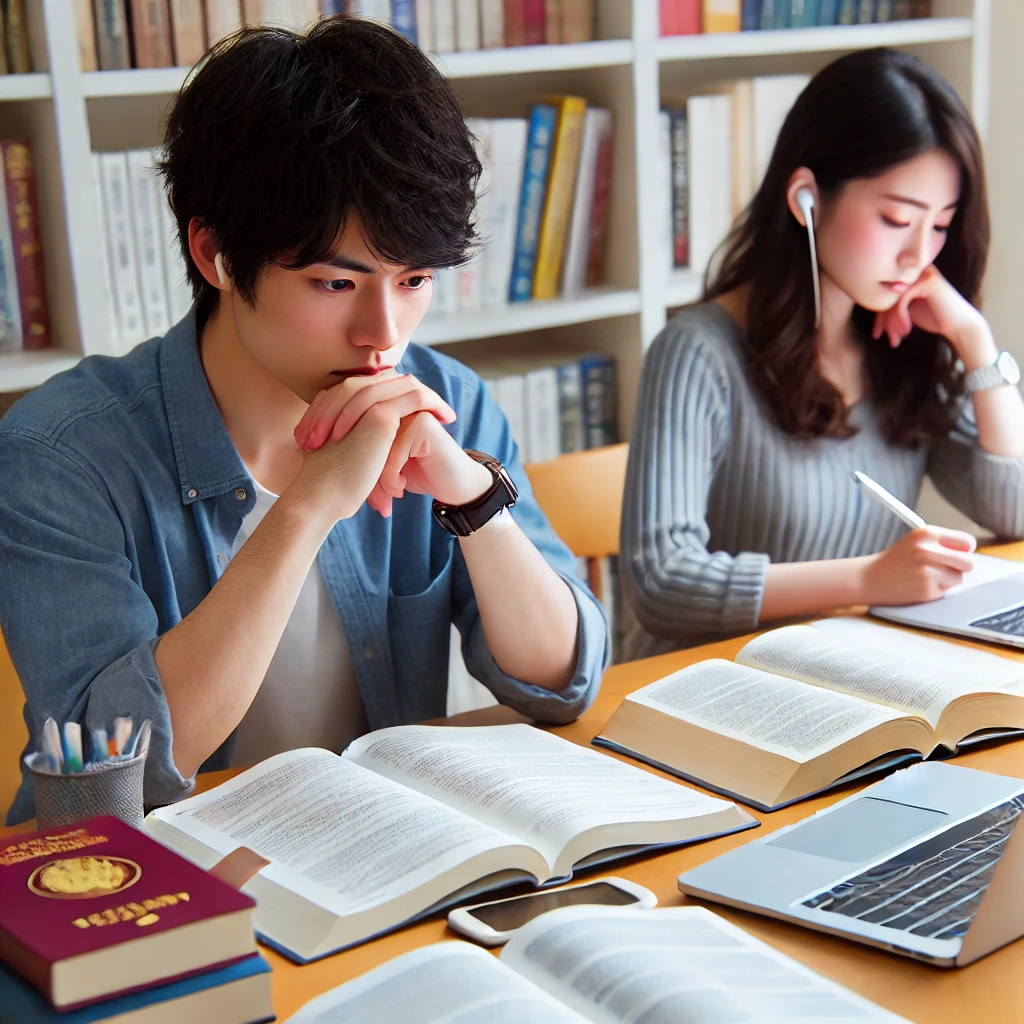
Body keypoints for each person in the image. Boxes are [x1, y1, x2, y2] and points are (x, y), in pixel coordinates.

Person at [0, 16, 607, 825]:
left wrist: (469, 496)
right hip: (150, 895)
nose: (384, 334)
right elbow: (120, 773)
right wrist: (310, 505)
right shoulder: (58, 455)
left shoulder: (441, 399)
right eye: (334, 283)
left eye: (415, 279)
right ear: (214, 254)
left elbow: (565, 680)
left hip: (367, 861)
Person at [622, 47, 1024, 658]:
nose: (920, 254)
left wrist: (976, 344)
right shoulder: (697, 353)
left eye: (940, 225)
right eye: (896, 218)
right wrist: (865, 579)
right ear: (807, 197)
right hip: (705, 692)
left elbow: (1015, 513)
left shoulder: (905, 346)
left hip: (843, 677)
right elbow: (661, 582)